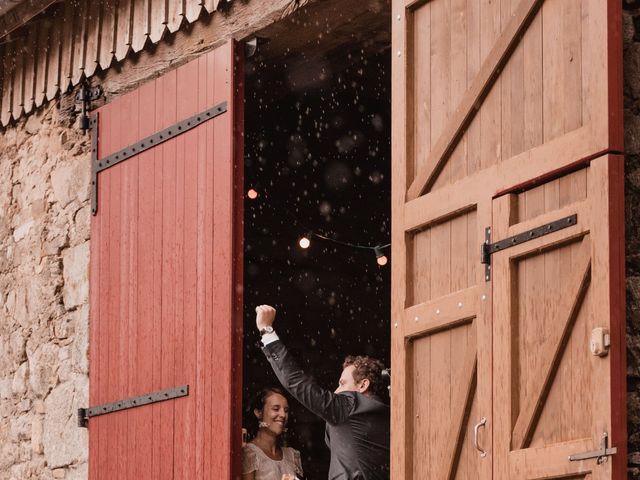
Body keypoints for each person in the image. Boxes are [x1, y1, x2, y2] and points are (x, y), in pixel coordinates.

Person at [255, 305, 390, 480]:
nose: (337, 391)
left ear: (363, 385)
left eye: (342, 384)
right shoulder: (388, 418)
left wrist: (267, 332)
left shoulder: (350, 406)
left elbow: (296, 383)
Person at [242, 387, 305, 480]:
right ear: (259, 413)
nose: (283, 415)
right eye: (276, 409)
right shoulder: (249, 454)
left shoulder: (292, 455)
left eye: (286, 410)